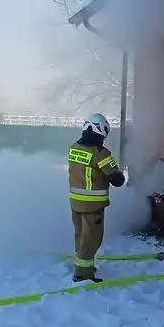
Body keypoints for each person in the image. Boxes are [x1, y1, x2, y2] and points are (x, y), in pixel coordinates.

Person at [67, 113, 125, 282]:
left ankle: (83, 266)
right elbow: (117, 180)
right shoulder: (101, 153)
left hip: (76, 202)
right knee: (91, 239)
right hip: (92, 206)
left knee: (80, 236)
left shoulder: (74, 148)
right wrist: (116, 174)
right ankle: (82, 274)